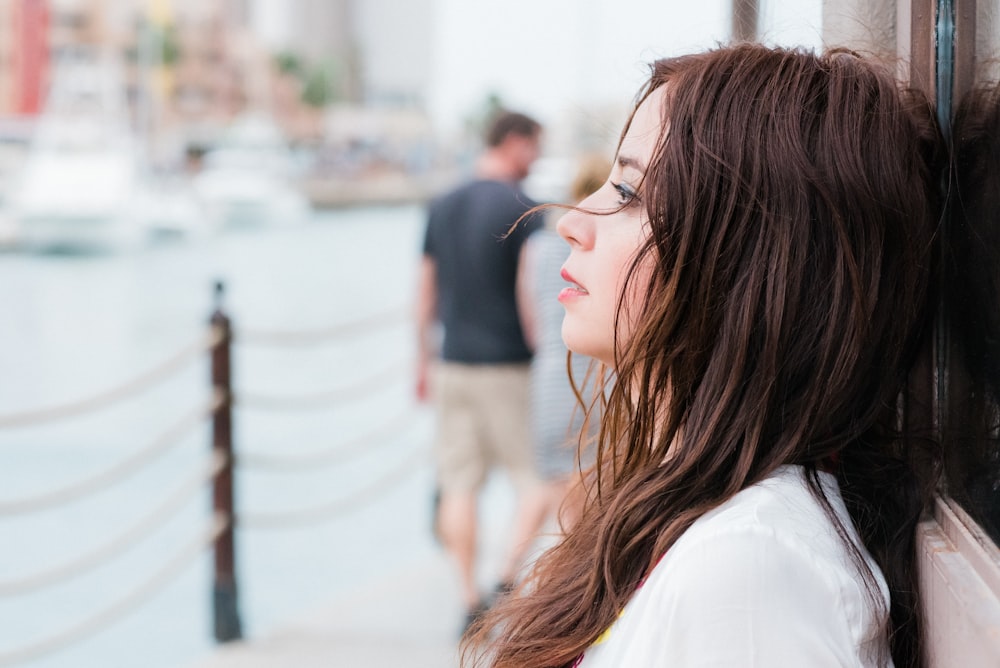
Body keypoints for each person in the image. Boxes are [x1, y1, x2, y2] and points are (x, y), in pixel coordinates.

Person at [464, 44, 943, 668]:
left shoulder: (750, 567)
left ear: (747, 262)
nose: (574, 220)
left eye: (629, 192)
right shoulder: (698, 515)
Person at [415, 110, 550, 631]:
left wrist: (421, 361)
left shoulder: (442, 203)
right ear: (515, 143)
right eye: (534, 147)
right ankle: (505, 580)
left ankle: (469, 599)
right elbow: (529, 292)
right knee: (534, 481)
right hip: (509, 365)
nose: (535, 159)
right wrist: (544, 350)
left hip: (453, 363)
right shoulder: (524, 207)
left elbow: (424, 291)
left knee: (458, 485)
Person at [518, 154, 611, 530]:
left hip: (549, 378)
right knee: (595, 501)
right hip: (596, 380)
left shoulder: (538, 247)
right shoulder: (604, 247)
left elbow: (531, 323)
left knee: (559, 502)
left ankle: (507, 574)